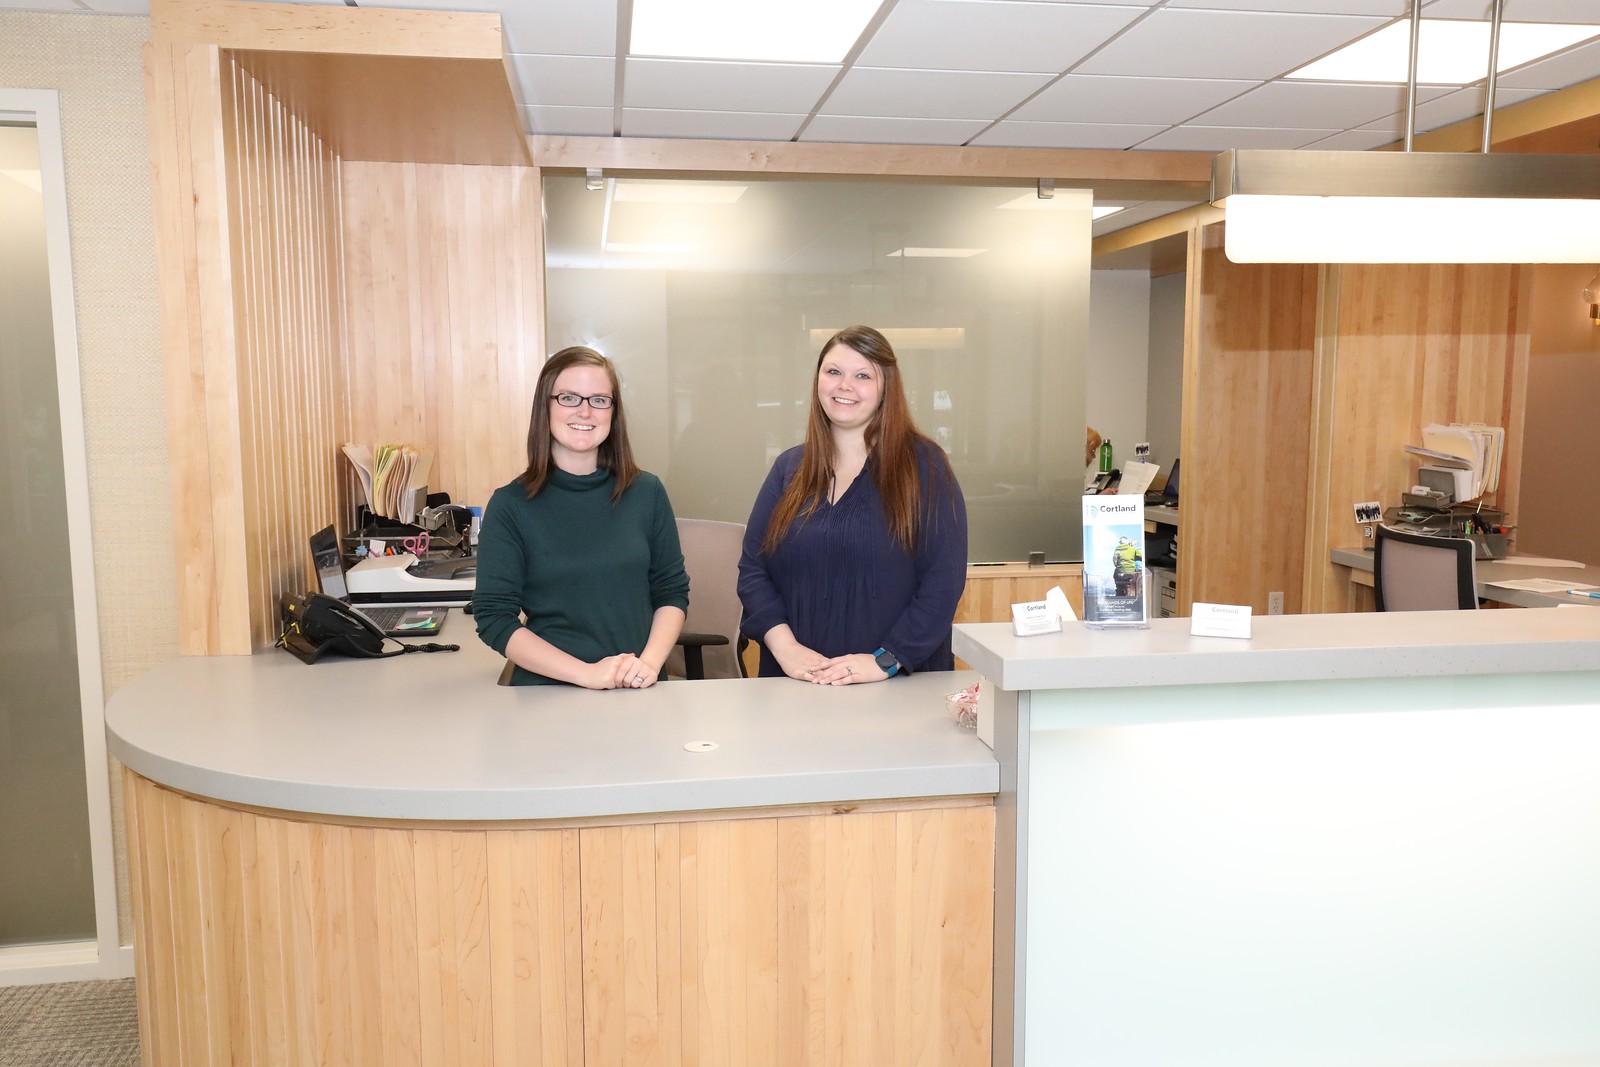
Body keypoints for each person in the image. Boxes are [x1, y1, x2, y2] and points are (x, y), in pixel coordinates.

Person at [738, 325, 967, 684]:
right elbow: (754, 569)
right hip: (797, 684)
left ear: (885, 390)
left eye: (863, 376)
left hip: (895, 688)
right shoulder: (788, 469)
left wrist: (885, 660)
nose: (845, 385)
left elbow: (944, 580)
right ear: (818, 381)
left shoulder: (924, 466)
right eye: (833, 372)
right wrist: (786, 649)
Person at [473, 346, 689, 688]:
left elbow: (671, 592)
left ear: (613, 411)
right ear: (545, 406)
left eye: (599, 400)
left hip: (639, 687)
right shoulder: (510, 505)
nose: (585, 411)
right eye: (569, 398)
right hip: (549, 692)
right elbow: (495, 619)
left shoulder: (647, 492)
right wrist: (587, 675)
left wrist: (648, 664)